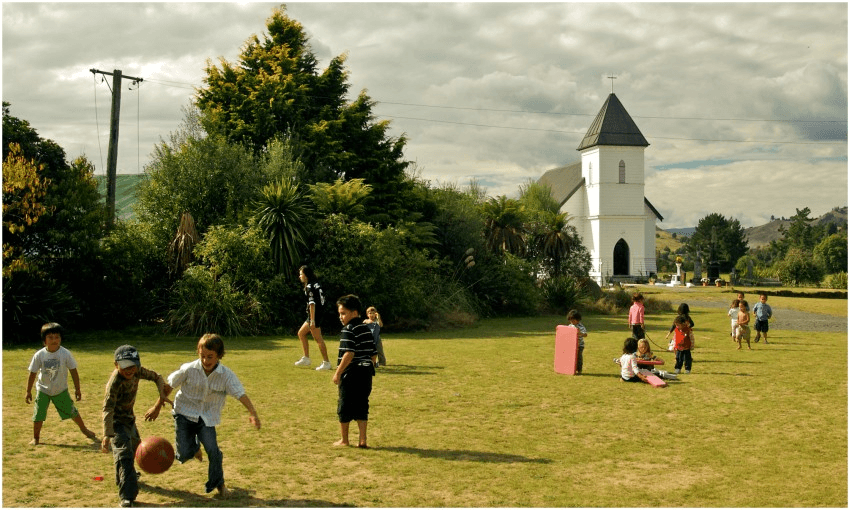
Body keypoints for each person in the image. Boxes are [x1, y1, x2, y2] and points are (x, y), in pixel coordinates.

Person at [146, 333, 261, 498]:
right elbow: (169, 386)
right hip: (184, 413)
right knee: (183, 454)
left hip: (207, 418)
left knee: (213, 451)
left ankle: (219, 484)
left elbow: (240, 394)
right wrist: (157, 406)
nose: (206, 360)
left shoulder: (226, 375)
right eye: (202, 356)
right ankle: (194, 448)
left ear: (219, 355)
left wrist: (253, 413)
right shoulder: (189, 369)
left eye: (210, 357)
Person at [101, 345, 170, 508]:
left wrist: (162, 394)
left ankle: (125, 477)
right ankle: (127, 497)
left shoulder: (138, 371)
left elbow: (157, 377)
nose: (130, 370)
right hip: (116, 423)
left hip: (129, 419)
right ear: (116, 365)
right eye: (125, 366)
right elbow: (108, 408)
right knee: (124, 454)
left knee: (134, 450)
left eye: (133, 365)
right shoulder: (114, 383)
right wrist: (107, 434)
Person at [25, 322, 98, 445]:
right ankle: (36, 438)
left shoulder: (65, 354)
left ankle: (85, 430)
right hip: (43, 390)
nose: (54, 340)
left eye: (57, 337)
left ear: (61, 339)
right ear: (44, 341)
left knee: (72, 411)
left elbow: (73, 371)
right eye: (50, 337)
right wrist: (28, 391)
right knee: (38, 415)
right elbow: (32, 373)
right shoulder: (39, 355)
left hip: (60, 390)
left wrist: (77, 389)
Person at [333, 294, 377, 448]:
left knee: (344, 404)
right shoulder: (366, 329)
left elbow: (349, 353)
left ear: (354, 312)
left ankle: (344, 440)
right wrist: (368, 369)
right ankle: (362, 440)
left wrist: (338, 373)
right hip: (366, 373)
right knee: (362, 404)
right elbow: (373, 353)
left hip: (351, 373)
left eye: (343, 313)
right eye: (339, 313)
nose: (340, 317)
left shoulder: (348, 329)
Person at [294, 265, 332, 370]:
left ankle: (326, 362)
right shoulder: (316, 284)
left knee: (318, 338)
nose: (299, 276)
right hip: (316, 314)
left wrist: (313, 320)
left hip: (314, 315)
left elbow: (312, 304)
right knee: (301, 333)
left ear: (306, 275)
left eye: (301, 274)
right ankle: (306, 358)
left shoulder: (309, 286)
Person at [566, 309, 588, 374]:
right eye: (570, 320)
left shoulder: (581, 327)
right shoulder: (570, 326)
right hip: (571, 345)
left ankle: (579, 370)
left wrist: (580, 333)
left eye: (573, 320)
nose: (572, 322)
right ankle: (572, 369)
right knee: (571, 357)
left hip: (579, 345)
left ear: (578, 320)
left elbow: (585, 334)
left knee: (578, 358)